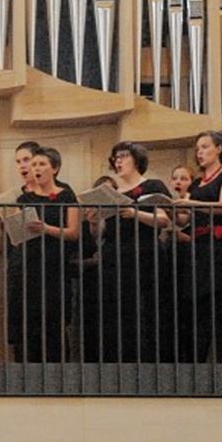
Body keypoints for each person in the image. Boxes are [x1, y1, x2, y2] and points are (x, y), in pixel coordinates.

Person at [84, 142, 172, 363]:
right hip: (115, 256)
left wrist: (135, 214)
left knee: (144, 311)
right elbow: (101, 233)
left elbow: (164, 220)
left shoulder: (153, 184)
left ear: (137, 159)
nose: (118, 161)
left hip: (143, 254)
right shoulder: (113, 192)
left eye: (123, 156)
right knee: (117, 313)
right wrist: (94, 222)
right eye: (115, 157)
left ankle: (148, 366)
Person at [172, 131, 222, 363]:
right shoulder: (199, 182)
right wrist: (172, 212)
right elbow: (186, 220)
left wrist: (190, 203)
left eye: (204, 147)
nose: (199, 152)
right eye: (198, 148)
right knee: (199, 311)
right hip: (199, 250)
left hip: (220, 249)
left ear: (219, 148)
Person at [10, 147, 80, 362]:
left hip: (54, 267)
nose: (36, 169)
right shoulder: (24, 199)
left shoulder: (66, 195)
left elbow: (73, 232)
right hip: (29, 267)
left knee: (55, 323)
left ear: (55, 168)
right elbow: (16, 237)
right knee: (29, 323)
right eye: (34, 165)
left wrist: (46, 228)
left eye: (41, 164)